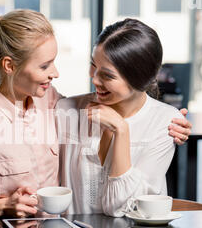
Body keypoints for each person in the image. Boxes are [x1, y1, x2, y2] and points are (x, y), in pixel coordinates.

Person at [0, 9, 192, 218]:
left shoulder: (50, 103)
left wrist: (162, 118)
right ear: (9, 66)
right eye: (45, 66)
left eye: (53, 62)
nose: (56, 73)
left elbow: (120, 108)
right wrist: (0, 206)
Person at [56, 18, 186, 217]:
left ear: (140, 80)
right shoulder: (67, 111)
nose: (95, 79)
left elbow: (118, 207)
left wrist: (121, 129)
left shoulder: (166, 123)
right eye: (93, 65)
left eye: (107, 75)